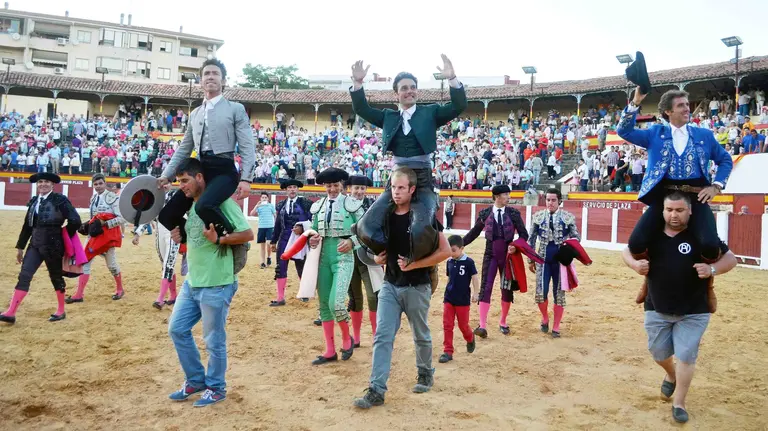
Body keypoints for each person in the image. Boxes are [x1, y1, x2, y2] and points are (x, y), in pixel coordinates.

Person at [621, 192, 737, 423]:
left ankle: (679, 403)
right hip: (656, 306)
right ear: (662, 211)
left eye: (680, 210)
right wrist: (635, 264)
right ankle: (670, 375)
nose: (674, 215)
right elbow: (627, 250)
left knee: (686, 355)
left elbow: (731, 259)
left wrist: (712, 270)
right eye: (669, 210)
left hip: (694, 309)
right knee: (658, 352)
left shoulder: (702, 237)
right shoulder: (651, 235)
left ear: (690, 211)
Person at [349, 55, 467, 264]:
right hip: (396, 179)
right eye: (404, 88)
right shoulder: (388, 116)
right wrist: (358, 84)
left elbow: (458, 106)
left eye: (412, 87)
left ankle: (417, 263)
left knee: (421, 228)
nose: (409, 91)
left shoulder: (430, 112)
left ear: (417, 91)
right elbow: (362, 109)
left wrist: (452, 79)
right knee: (366, 226)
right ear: (397, 93)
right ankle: (386, 256)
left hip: (421, 180)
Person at [353, 167, 452, 409]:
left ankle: (425, 372)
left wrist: (415, 263)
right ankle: (376, 389)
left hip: (418, 286)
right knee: (382, 336)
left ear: (412, 189)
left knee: (421, 334)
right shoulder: (384, 216)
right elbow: (365, 252)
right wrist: (375, 259)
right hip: (390, 285)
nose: (396, 193)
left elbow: (446, 251)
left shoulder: (425, 217)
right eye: (393, 188)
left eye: (401, 188)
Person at [167, 158, 254, 407]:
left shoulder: (222, 203)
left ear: (200, 178)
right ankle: (195, 380)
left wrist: (220, 241)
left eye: (185, 180)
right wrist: (180, 235)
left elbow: (248, 234)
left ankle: (216, 387)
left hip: (217, 283)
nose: (181, 186)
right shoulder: (193, 207)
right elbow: (195, 239)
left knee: (213, 340)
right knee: (177, 329)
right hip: (192, 282)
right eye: (179, 182)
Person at [618, 87, 732, 275]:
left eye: (687, 104)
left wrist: (716, 186)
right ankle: (651, 277)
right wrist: (635, 102)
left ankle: (706, 281)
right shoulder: (655, 133)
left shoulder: (704, 135)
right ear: (668, 112)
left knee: (711, 245)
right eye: (681, 106)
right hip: (664, 197)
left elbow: (725, 160)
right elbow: (624, 131)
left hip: (696, 197)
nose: (687, 108)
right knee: (637, 242)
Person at [157, 59, 255, 261]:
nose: (211, 76)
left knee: (204, 206)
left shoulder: (235, 108)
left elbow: (246, 145)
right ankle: (189, 239)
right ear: (201, 80)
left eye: (215, 73)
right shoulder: (195, 114)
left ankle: (235, 242)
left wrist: (246, 178)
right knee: (166, 215)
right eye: (207, 73)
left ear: (223, 80)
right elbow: (185, 148)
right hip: (201, 171)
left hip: (224, 170)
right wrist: (167, 175)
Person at [0, 172, 81, 324]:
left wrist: (62, 234)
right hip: (35, 244)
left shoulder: (60, 200)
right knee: (24, 275)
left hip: (53, 245)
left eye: (46, 182)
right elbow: (27, 226)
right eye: (40, 182)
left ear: (52, 185)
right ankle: (11, 312)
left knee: (56, 277)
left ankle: (61, 310)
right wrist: (20, 247)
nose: (43, 184)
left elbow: (75, 220)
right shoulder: (34, 202)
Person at [306, 168, 366, 365]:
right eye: (328, 186)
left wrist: (352, 242)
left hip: (343, 257)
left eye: (335, 185)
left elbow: (365, 232)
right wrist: (312, 239)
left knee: (337, 303)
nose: (331, 189)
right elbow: (314, 230)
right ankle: (330, 350)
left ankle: (347, 339)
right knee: (324, 304)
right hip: (323, 257)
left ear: (342, 185)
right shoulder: (318, 206)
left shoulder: (352, 205)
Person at [462, 185, 528, 337]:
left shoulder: (513, 214)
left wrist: (515, 246)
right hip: (490, 254)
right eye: (506, 194)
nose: (509, 197)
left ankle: (503, 322)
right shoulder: (485, 214)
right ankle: (483, 325)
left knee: (506, 289)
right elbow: (474, 233)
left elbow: (524, 235)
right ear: (497, 196)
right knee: (486, 287)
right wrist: (460, 244)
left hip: (507, 256)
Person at [527, 188, 580, 338]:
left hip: (560, 262)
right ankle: (545, 318)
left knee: (559, 294)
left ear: (559, 201)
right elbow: (531, 239)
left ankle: (556, 326)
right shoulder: (538, 217)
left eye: (553, 200)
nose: (550, 203)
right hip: (542, 259)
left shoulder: (567, 217)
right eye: (548, 200)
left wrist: (567, 252)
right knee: (540, 293)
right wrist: (531, 259)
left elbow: (576, 238)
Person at [66, 173, 125, 303]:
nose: (98, 186)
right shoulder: (93, 198)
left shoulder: (113, 198)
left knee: (112, 265)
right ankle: (79, 294)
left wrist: (106, 224)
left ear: (105, 183)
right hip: (93, 236)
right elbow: (94, 218)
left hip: (107, 238)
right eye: (96, 184)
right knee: (85, 262)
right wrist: (87, 225)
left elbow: (122, 218)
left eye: (100, 183)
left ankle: (120, 289)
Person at [132, 183, 187, 310]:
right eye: (162, 183)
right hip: (160, 233)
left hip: (173, 232)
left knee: (168, 264)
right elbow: (148, 218)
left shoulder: (176, 195)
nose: (164, 186)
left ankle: (160, 299)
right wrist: (138, 234)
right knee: (166, 265)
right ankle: (173, 295)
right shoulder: (155, 200)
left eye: (167, 183)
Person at [345, 175, 378, 346]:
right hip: (349, 256)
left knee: (374, 297)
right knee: (355, 298)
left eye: (362, 188)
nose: (359, 191)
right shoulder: (343, 205)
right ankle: (356, 337)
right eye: (356, 188)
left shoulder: (373, 206)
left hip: (370, 257)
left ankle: (376, 337)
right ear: (349, 188)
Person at [270, 179, 313, 306]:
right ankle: (280, 297)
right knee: (280, 267)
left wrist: (303, 228)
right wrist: (273, 241)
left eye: (294, 187)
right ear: (286, 190)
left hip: (300, 240)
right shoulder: (282, 204)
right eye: (289, 187)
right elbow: (278, 224)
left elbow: (313, 221)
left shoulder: (306, 203)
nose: (292, 189)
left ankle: (304, 293)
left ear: (298, 189)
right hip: (284, 238)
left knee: (301, 266)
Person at [438, 235, 478, 363]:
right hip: (449, 297)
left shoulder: (469, 262)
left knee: (463, 325)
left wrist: (476, 293)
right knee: (447, 324)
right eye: (450, 250)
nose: (451, 253)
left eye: (454, 250)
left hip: (463, 299)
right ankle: (447, 351)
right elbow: (450, 279)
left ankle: (470, 338)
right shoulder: (449, 261)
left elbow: (475, 278)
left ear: (462, 248)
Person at [249, 192, 276, 269]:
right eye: (262, 197)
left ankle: (269, 257)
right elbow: (251, 214)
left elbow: (275, 215)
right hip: (261, 227)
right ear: (260, 198)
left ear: (268, 198)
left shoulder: (271, 206)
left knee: (268, 243)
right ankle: (262, 262)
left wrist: (275, 225)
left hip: (270, 227)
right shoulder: (259, 207)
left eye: (265, 197)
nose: (264, 199)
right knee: (262, 246)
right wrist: (256, 206)